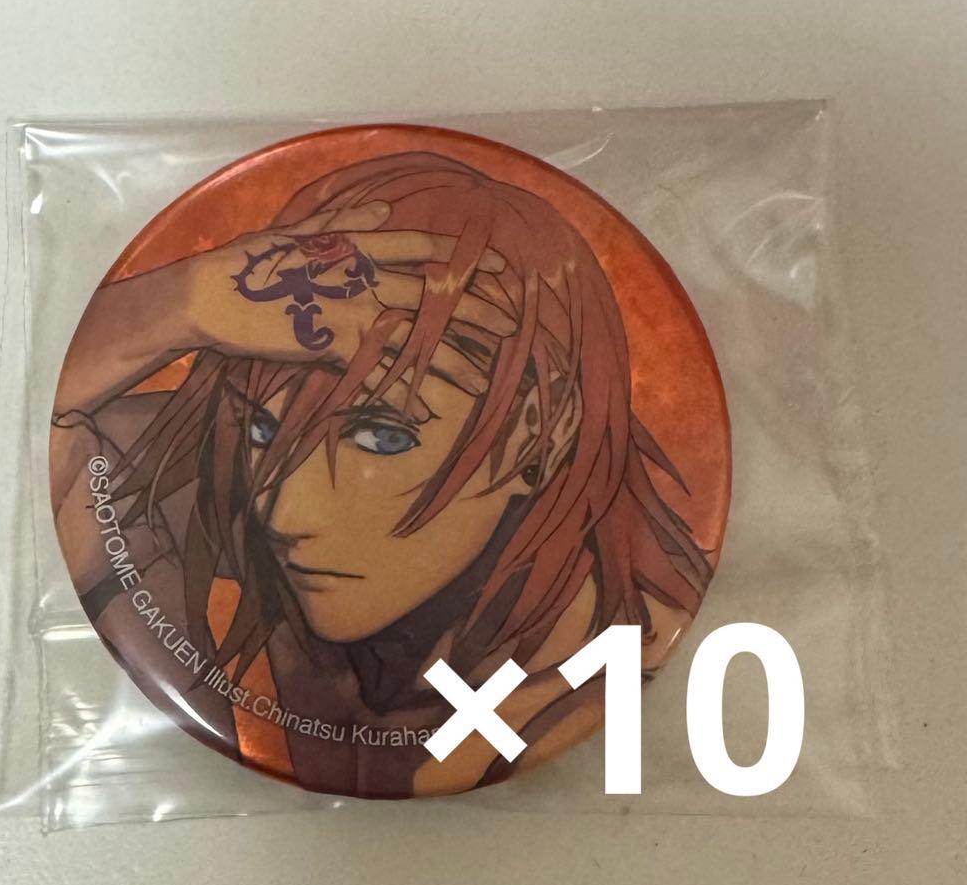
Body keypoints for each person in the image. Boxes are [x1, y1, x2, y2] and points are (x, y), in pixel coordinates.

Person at [50, 151, 711, 797]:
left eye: (383, 436)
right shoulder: (289, 528)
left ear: (540, 430)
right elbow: (58, 440)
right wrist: (178, 306)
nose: (284, 515)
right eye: (263, 429)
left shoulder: (582, 695)